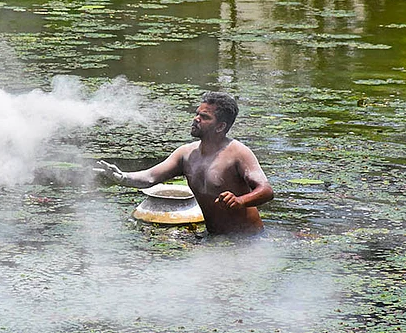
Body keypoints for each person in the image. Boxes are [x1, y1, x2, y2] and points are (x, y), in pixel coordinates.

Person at [96, 91, 274, 235]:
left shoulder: (238, 153)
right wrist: (122, 177)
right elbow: (150, 178)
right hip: (213, 236)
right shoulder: (186, 154)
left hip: (248, 239)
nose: (196, 119)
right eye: (197, 114)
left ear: (220, 126)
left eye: (204, 117)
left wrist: (240, 200)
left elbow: (266, 191)